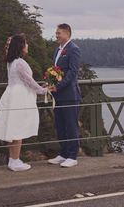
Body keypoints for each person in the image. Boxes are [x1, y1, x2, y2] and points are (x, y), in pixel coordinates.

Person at [0, 34, 47, 171]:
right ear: (21, 46)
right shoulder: (19, 62)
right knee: (18, 128)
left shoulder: (11, 62)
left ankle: (13, 159)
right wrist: (42, 90)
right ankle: (14, 161)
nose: (28, 46)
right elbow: (28, 80)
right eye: (26, 43)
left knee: (13, 127)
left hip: (11, 93)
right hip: (20, 96)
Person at [47, 23, 81, 168]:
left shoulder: (74, 49)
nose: (56, 35)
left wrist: (58, 86)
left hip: (69, 94)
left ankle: (72, 156)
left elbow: (73, 73)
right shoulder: (57, 50)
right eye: (56, 33)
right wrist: (50, 83)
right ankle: (63, 153)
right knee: (60, 125)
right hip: (58, 95)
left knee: (71, 125)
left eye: (59, 33)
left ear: (67, 33)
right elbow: (56, 71)